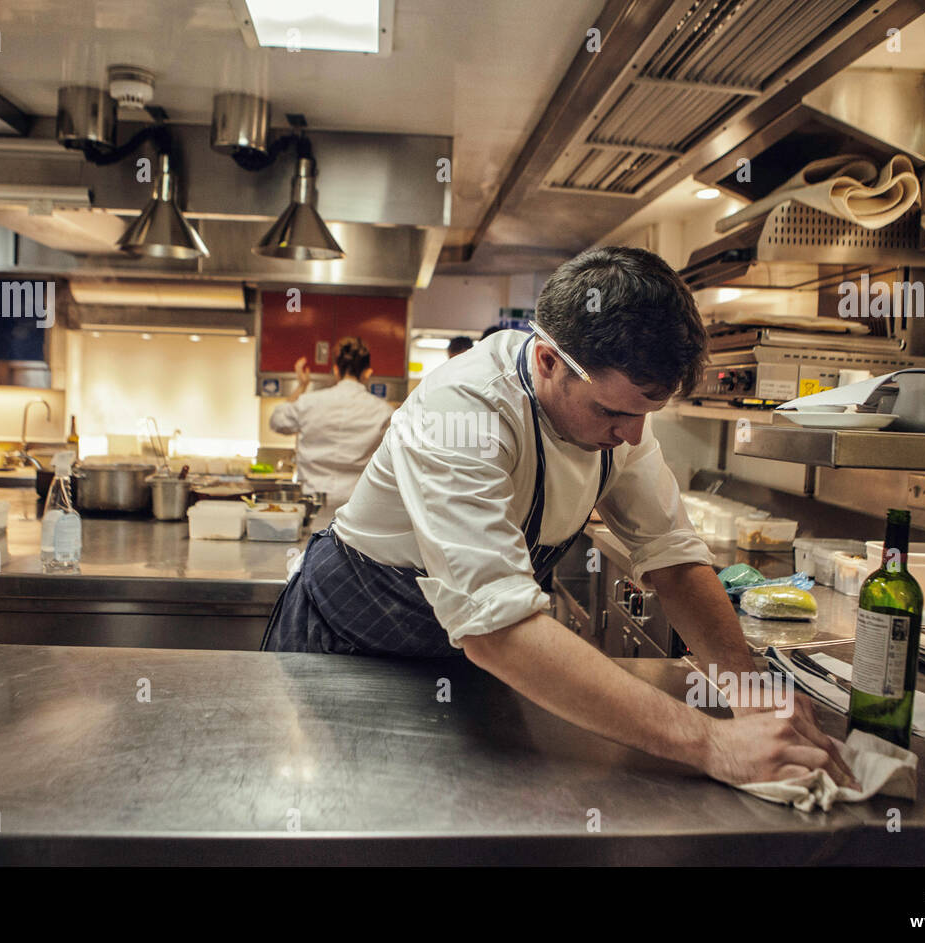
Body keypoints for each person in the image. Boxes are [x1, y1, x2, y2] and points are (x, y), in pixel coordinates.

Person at [263, 247, 853, 789]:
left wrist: (747, 688)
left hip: (460, 664)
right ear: (548, 359)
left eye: (649, 413)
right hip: (347, 652)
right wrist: (711, 743)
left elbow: (673, 557)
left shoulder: (624, 423)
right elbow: (496, 627)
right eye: (613, 411)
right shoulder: (460, 411)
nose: (633, 435)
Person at [268, 337, 393, 507]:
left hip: (313, 503)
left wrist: (302, 386)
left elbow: (277, 421)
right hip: (358, 507)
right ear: (367, 373)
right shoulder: (384, 411)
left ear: (336, 370)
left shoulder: (309, 402)